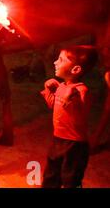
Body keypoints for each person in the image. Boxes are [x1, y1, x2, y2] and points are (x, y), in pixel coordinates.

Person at [40, 45, 98, 188]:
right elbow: (53, 105)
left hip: (75, 145)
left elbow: (80, 111)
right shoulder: (62, 86)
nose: (55, 62)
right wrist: (48, 91)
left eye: (60, 60)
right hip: (58, 139)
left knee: (70, 179)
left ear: (75, 69)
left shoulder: (80, 90)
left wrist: (70, 98)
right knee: (51, 175)